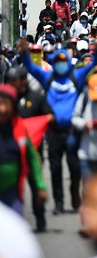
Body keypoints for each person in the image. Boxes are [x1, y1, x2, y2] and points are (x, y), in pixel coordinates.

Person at [18, 38, 97, 215]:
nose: (60, 64)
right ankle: (59, 202)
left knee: (75, 167)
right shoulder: (47, 77)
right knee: (55, 168)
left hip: (73, 131)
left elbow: (94, 65)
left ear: (68, 61)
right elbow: (30, 66)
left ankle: (75, 192)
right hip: (53, 132)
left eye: (63, 61)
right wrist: (23, 52)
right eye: (57, 61)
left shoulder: (76, 75)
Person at [7, 66, 53, 231]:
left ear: (24, 81)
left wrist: (47, 120)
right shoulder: (5, 99)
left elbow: (48, 114)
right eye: (9, 80)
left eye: (14, 80)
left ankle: (40, 219)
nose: (11, 83)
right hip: (10, 153)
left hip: (33, 150)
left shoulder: (37, 97)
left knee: (35, 185)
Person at [0, 84, 47, 215]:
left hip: (13, 193)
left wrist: (40, 186)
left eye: (5, 103)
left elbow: (32, 158)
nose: (2, 109)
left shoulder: (20, 127)